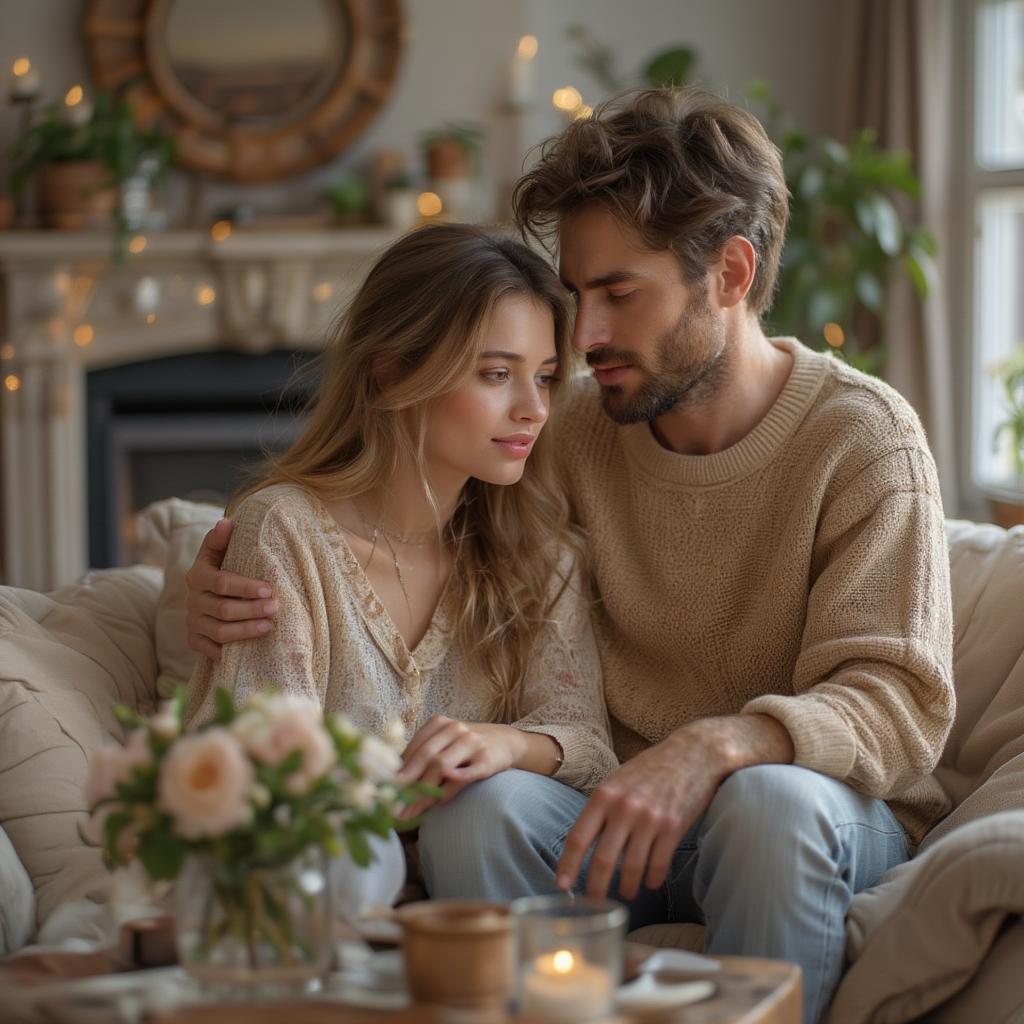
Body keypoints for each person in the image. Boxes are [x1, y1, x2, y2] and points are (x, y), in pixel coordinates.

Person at [185, 90, 955, 1024]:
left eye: (618, 294)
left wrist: (716, 745)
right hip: (614, 821)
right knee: (483, 810)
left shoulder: (864, 440)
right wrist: (202, 596)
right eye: (577, 293)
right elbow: (384, 504)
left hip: (813, 816)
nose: (581, 339)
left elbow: (899, 699)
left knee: (766, 805)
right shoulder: (570, 427)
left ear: (730, 273)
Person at [185, 222, 618, 829]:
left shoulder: (541, 557)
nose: (535, 408)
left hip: (473, 890)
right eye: (496, 373)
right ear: (391, 371)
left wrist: (505, 744)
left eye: (545, 376)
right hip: (318, 887)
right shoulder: (286, 533)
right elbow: (262, 779)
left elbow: (590, 749)